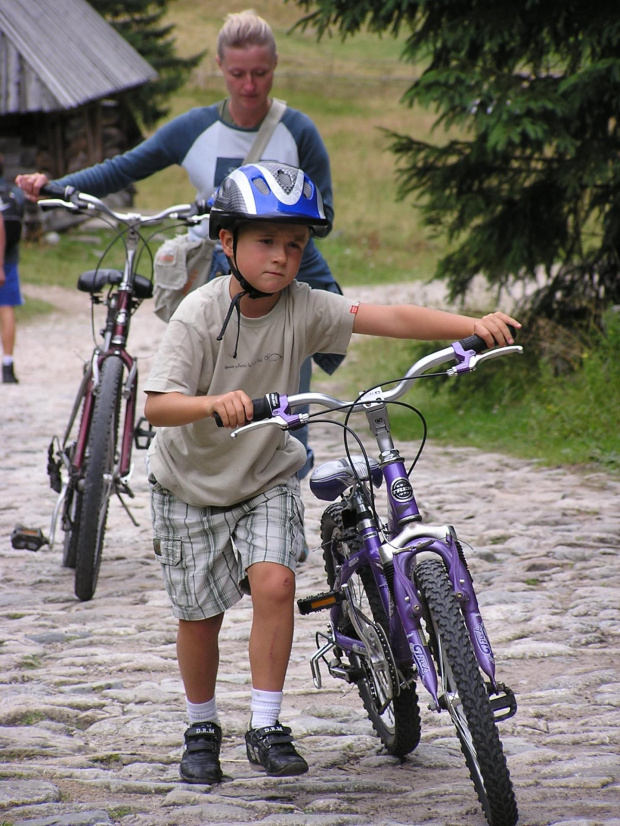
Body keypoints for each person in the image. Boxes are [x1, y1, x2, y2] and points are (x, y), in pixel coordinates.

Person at [142, 161, 521, 784]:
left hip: (264, 473)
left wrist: (470, 326)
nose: (282, 258)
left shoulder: (303, 307)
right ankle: (201, 725)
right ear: (227, 242)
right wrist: (212, 403)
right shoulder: (199, 315)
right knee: (199, 617)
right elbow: (157, 405)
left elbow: (389, 316)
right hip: (190, 483)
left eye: (295, 245)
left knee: (275, 585)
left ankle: (265, 726)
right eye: (265, 241)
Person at [16, 9, 339, 482]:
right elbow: (123, 168)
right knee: (208, 396)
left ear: (274, 66)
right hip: (214, 277)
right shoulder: (194, 128)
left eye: (260, 73)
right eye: (237, 74)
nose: (249, 85)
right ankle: (203, 490)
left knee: (287, 405)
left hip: (281, 282)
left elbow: (324, 215)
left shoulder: (298, 130)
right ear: (219, 67)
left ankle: (282, 514)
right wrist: (55, 185)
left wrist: (273, 216)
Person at [0, 154, 25, 384]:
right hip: (9, 259)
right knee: (6, 309)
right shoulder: (14, 193)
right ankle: (7, 365)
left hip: (1, 261)